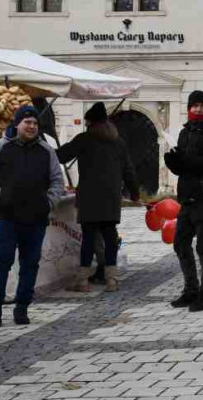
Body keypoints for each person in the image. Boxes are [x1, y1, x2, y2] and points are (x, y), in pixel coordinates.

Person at [0, 105, 65, 327]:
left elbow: (57, 180)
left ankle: (22, 308)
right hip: (6, 217)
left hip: (35, 219)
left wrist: (48, 202)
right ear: (17, 124)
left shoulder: (46, 151)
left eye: (35, 123)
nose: (32, 126)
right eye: (28, 122)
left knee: (30, 264)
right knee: (1, 261)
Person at [56, 102, 140, 293]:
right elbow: (129, 170)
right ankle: (112, 280)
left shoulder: (84, 139)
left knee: (88, 238)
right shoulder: (119, 142)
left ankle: (83, 282)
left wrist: (43, 148)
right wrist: (134, 192)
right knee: (110, 237)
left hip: (89, 197)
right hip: (111, 198)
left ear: (91, 123)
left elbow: (61, 156)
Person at [164, 90, 203, 312]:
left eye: (202, 105)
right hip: (187, 197)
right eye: (195, 106)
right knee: (180, 244)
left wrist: (187, 160)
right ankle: (190, 290)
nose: (198, 109)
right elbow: (183, 167)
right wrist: (172, 161)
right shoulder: (185, 132)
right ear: (189, 108)